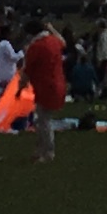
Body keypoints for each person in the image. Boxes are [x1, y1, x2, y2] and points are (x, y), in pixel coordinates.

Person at [22, 11, 69, 161]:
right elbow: (63, 42)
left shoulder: (35, 47)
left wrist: (19, 88)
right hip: (58, 84)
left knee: (44, 121)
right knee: (42, 120)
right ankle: (40, 150)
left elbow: (27, 71)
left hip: (45, 87)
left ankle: (48, 152)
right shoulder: (53, 41)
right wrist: (52, 28)